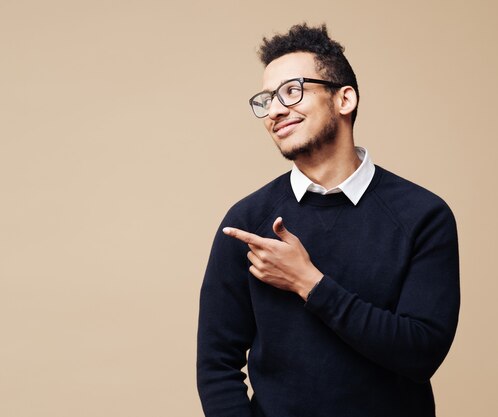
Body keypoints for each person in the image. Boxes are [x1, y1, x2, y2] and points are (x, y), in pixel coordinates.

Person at [196, 23, 460, 417]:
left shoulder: (423, 215)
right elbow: (216, 364)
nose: (275, 110)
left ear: (344, 99)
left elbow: (420, 353)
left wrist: (308, 282)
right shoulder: (248, 220)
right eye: (267, 99)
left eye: (292, 91)